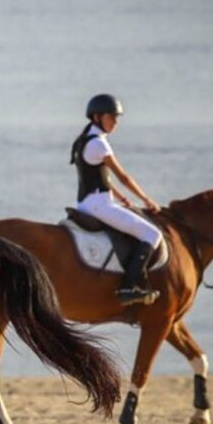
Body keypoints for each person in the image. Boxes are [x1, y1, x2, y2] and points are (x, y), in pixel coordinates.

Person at [70, 94, 163, 306]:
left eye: (116, 118)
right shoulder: (99, 144)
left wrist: (122, 198)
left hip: (88, 203)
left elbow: (98, 177)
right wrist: (147, 200)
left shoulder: (83, 140)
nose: (115, 122)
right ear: (97, 117)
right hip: (99, 205)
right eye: (111, 117)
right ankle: (129, 287)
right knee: (152, 234)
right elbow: (123, 177)